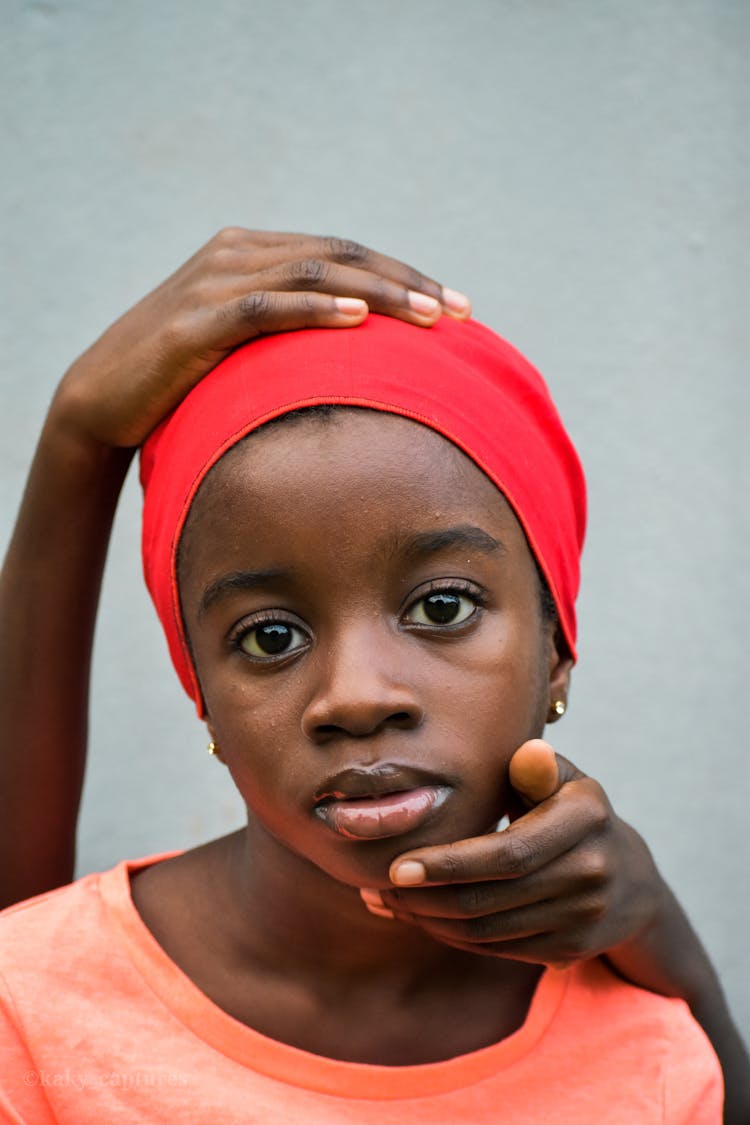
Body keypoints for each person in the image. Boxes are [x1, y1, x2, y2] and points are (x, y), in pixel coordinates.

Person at [0, 230, 746, 1122]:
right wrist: (80, 431)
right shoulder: (31, 1015)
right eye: (270, 635)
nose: (356, 695)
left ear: (556, 645)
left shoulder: (655, 1065)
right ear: (199, 689)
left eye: (442, 607)